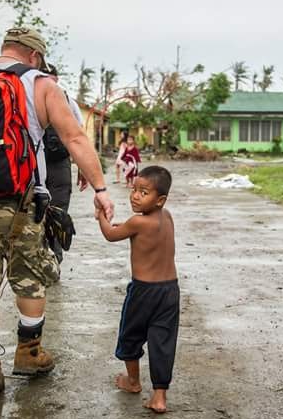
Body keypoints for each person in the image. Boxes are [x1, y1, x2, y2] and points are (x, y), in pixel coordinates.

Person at [0, 27, 114, 403]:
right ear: (34, 55)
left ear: (4, 50)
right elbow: (75, 139)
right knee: (30, 277)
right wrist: (100, 189)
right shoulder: (41, 84)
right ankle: (29, 355)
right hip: (21, 201)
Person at [96, 166, 179, 414]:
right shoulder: (167, 217)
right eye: (134, 190)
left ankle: (132, 382)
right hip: (170, 291)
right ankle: (160, 396)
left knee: (130, 335)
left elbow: (111, 234)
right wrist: (129, 224)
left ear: (160, 199)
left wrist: (101, 214)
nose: (135, 196)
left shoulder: (137, 222)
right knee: (163, 341)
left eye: (143, 192)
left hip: (144, 292)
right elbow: (142, 233)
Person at [41, 63, 87, 264]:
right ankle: (38, 259)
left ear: (57, 79)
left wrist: (82, 167)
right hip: (35, 164)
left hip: (60, 164)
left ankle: (54, 260)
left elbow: (77, 135)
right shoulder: (28, 99)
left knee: (59, 212)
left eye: (51, 77)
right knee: (34, 212)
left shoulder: (69, 102)